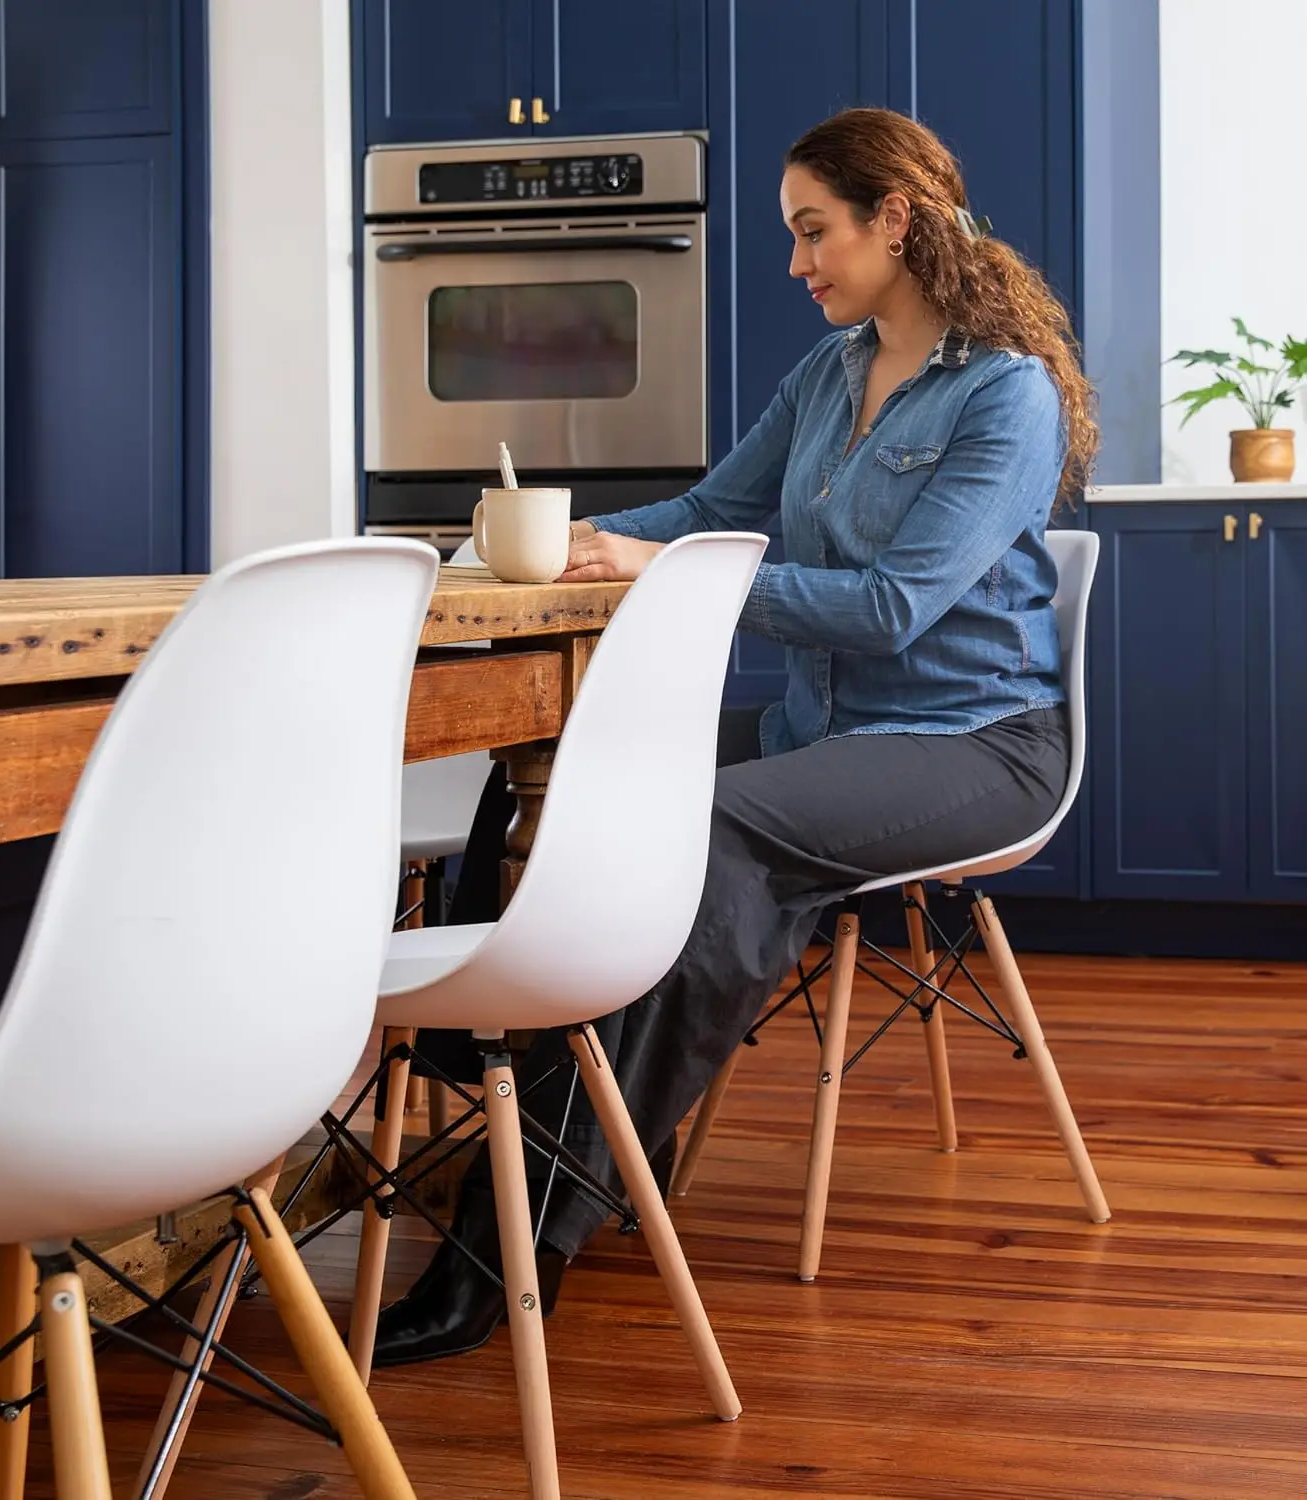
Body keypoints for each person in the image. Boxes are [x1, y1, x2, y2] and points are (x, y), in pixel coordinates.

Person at [373, 104, 1100, 1368]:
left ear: (898, 220)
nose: (796, 262)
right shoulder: (827, 374)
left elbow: (890, 609)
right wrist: (557, 541)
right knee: (574, 754)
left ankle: (519, 1229)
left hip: (975, 742)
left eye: (814, 231)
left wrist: (660, 567)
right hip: (826, 730)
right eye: (792, 234)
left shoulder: (1008, 395)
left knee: (720, 825)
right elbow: (713, 506)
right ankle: (521, 1066)